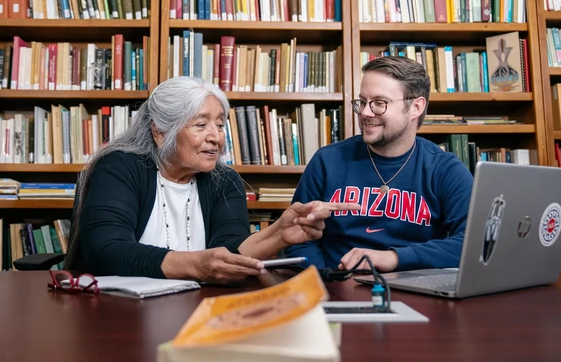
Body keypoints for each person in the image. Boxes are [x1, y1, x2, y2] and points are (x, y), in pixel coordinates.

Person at [64, 76, 357, 283]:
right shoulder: (119, 167)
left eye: (219, 124)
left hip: (196, 309)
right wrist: (196, 264)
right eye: (201, 124)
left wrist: (279, 234)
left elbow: (228, 253)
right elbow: (107, 250)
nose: (215, 137)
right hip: (111, 313)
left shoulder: (224, 180)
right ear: (161, 131)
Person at [285, 56, 474, 273]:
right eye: (362, 102)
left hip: (414, 290)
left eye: (379, 103)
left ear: (416, 107)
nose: (365, 112)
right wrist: (322, 282)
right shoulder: (327, 161)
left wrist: (395, 258)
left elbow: (474, 241)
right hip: (337, 287)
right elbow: (299, 239)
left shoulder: (444, 169)